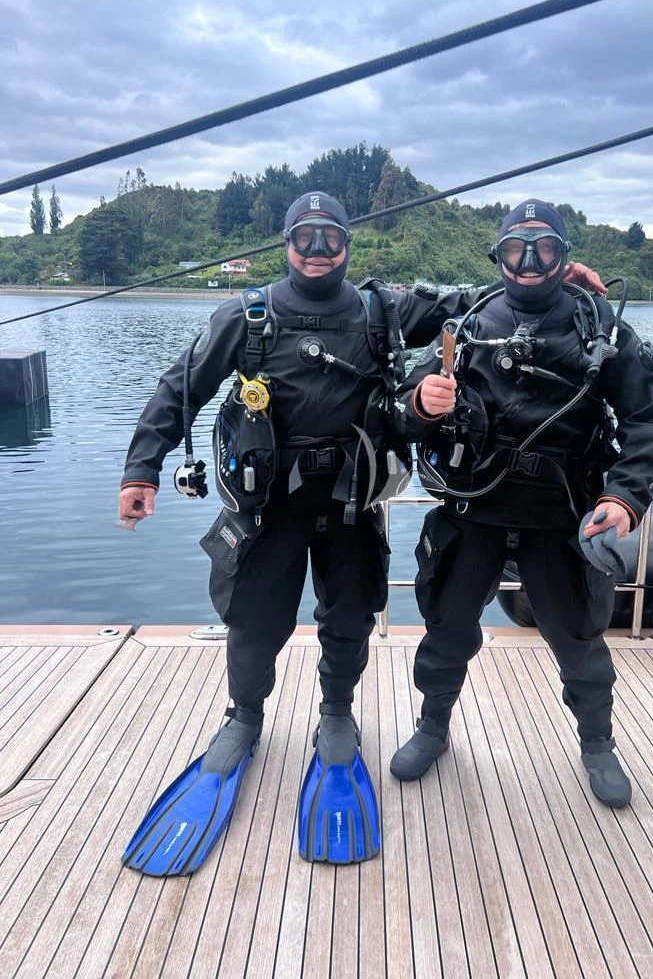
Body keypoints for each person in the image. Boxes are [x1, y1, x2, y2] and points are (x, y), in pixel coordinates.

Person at [118, 190, 607, 875]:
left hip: (350, 505)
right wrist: (142, 468)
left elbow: (471, 303)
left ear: (349, 242)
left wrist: (557, 275)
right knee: (254, 621)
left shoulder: (380, 311)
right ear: (285, 242)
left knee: (347, 618)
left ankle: (337, 713)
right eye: (305, 238)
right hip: (269, 510)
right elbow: (180, 387)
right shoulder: (246, 315)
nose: (318, 251)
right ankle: (244, 718)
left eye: (331, 237)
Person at [389, 198, 653, 809]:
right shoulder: (466, 323)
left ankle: (598, 742)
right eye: (516, 247)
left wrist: (624, 496)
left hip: (561, 519)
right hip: (474, 513)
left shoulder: (601, 328)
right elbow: (404, 406)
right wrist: (420, 402)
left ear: (564, 257)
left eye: (544, 248)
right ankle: (432, 727)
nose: (528, 261)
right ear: (499, 255)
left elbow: (650, 420)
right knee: (446, 631)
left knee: (579, 643)